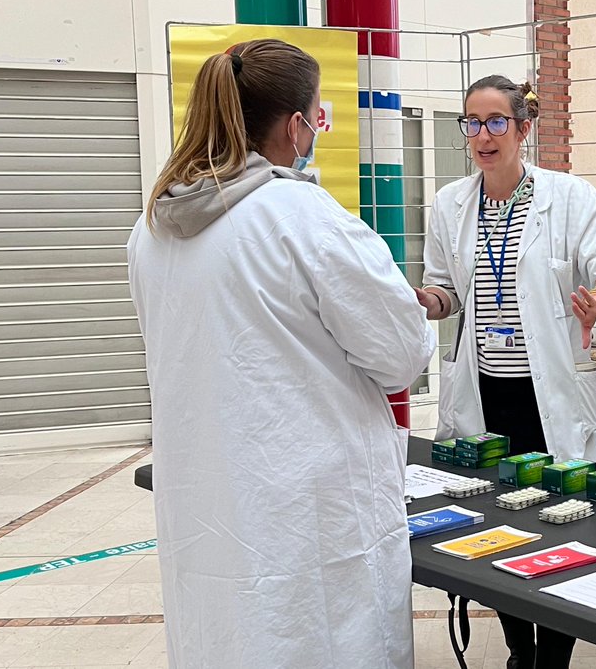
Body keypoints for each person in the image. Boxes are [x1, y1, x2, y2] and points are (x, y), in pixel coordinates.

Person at [127, 40, 434, 669]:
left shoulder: (154, 226)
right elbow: (400, 357)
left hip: (207, 501)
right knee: (321, 641)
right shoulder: (302, 215)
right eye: (317, 116)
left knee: (226, 640)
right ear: (296, 126)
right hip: (308, 510)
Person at [417, 75, 596, 669]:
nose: (482, 135)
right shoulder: (450, 204)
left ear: (523, 127)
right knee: (498, 527)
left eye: (496, 122)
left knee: (564, 526)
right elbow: (446, 291)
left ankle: (553, 661)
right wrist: (426, 301)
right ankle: (520, 652)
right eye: (471, 123)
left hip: (552, 397)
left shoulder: (569, 198)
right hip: (486, 396)